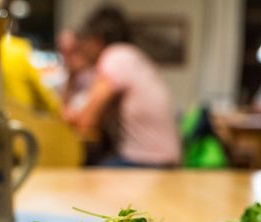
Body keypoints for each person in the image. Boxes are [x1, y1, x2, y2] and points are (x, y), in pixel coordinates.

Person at [64, 6, 180, 168]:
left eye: (86, 42)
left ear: (97, 41)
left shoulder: (116, 57)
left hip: (148, 162)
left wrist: (72, 73)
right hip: (163, 159)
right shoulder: (132, 56)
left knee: (80, 177)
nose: (84, 48)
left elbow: (85, 121)